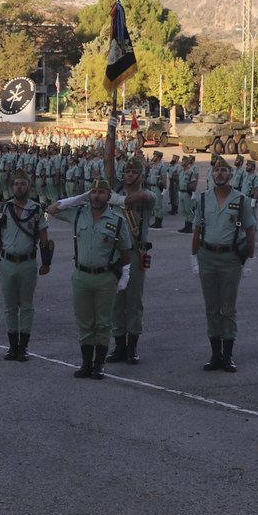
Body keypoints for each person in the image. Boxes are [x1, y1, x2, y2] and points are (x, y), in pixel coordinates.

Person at [48, 173, 135, 380]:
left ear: (108, 196)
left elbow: (125, 250)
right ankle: (86, 364)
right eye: (93, 192)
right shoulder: (78, 214)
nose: (96, 196)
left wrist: (125, 274)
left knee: (103, 323)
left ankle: (99, 365)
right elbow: (51, 209)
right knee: (85, 322)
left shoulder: (118, 220)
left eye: (101, 192)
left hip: (105, 278)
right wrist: (78, 198)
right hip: (81, 275)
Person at [191, 155, 257, 372]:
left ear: (231, 175)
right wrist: (193, 258)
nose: (219, 173)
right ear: (212, 174)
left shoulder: (241, 200)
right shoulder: (202, 199)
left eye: (223, 170)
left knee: (228, 308)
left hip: (230, 259)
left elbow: (250, 232)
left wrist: (249, 261)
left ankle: (228, 356)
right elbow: (197, 231)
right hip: (207, 257)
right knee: (211, 308)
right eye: (216, 170)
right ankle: (215, 355)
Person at [103, 116, 153, 365]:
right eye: (127, 171)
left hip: (135, 253)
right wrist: (110, 132)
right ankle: (119, 344)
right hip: (115, 253)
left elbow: (139, 199)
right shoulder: (117, 191)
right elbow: (108, 163)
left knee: (133, 301)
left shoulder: (146, 195)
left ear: (141, 175)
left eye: (134, 172)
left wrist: (119, 201)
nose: (129, 175)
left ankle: (133, 345)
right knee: (116, 301)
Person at [0, 169, 53, 361]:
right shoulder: (3, 209)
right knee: (10, 307)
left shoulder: (38, 211)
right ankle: (12, 347)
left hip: (28, 263)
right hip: (7, 262)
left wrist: (46, 263)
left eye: (23, 183)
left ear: (28, 186)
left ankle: (23, 347)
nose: (19, 187)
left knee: (26, 306)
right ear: (12, 186)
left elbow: (44, 240)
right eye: (16, 184)